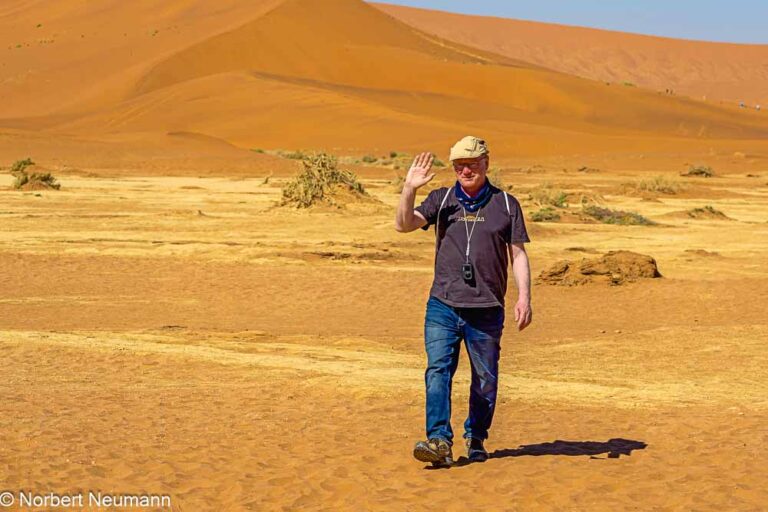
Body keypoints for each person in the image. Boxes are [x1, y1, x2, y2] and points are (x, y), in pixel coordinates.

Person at [394, 136, 532, 467]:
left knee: (485, 378)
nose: (465, 171)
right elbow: (403, 225)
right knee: (438, 371)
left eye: (471, 164)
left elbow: (518, 254)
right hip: (443, 305)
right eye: (459, 166)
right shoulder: (442, 201)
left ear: (486, 163)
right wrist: (409, 188)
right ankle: (439, 440)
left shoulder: (506, 204)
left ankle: (476, 436)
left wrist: (524, 297)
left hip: (486, 309)